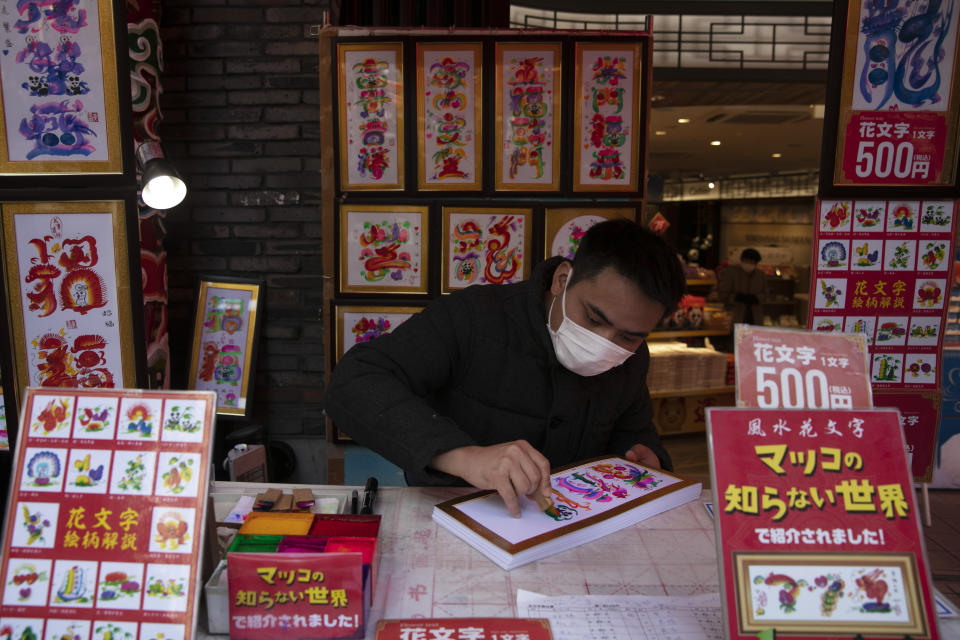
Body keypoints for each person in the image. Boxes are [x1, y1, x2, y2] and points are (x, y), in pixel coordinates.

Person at [323, 218, 686, 517]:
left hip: (573, 528)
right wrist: (464, 457)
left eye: (628, 336)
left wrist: (647, 458)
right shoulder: (473, 318)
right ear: (563, 279)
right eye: (593, 318)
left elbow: (635, 432)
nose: (604, 343)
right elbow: (353, 382)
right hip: (454, 516)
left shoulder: (632, 359)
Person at [717, 248, 766, 325]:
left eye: (752, 262)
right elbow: (722, 294)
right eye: (747, 261)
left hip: (755, 317)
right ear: (742, 260)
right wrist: (737, 297)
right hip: (735, 316)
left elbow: (766, 294)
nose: (749, 264)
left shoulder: (760, 275)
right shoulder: (731, 273)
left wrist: (756, 298)